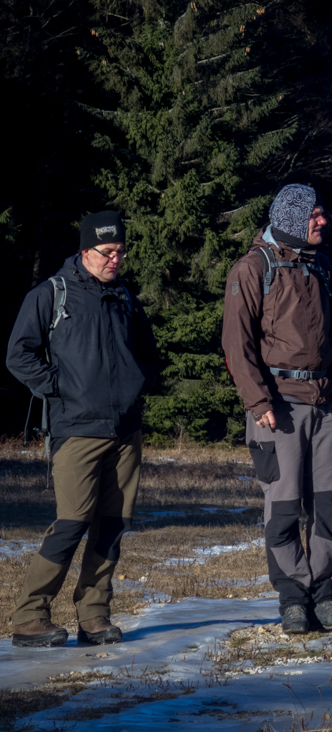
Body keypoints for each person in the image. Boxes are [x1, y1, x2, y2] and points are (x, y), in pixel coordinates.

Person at [6, 211, 158, 648]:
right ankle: (29, 617)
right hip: (76, 430)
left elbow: (149, 355)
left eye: (121, 252)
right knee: (72, 522)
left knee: (112, 524)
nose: (116, 259)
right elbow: (19, 354)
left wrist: (138, 383)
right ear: (84, 251)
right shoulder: (52, 294)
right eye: (108, 252)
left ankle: (94, 617)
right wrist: (59, 389)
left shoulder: (126, 297)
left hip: (125, 431)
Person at [222, 184, 332, 634]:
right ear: (292, 218)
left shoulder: (323, 269)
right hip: (276, 409)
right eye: (316, 215)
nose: (324, 222)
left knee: (329, 504)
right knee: (283, 510)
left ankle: (322, 595)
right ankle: (292, 600)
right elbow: (235, 344)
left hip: (322, 406)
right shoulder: (251, 269)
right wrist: (258, 400)